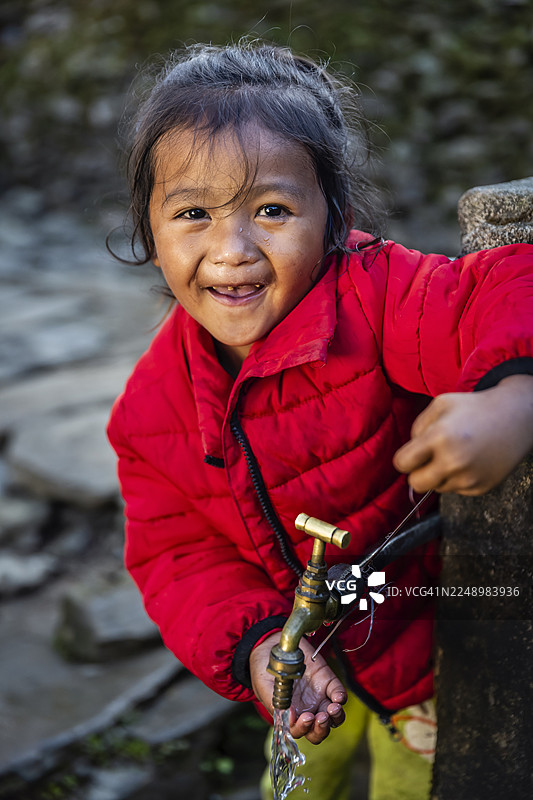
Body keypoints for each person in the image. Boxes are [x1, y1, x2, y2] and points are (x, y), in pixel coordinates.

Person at [107, 41, 533, 800]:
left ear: (333, 214)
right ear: (148, 227)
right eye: (193, 214)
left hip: (431, 655)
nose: (231, 251)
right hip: (297, 685)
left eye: (271, 210)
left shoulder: (373, 296)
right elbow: (176, 554)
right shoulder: (150, 409)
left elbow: (508, 284)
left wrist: (515, 398)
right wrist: (260, 648)